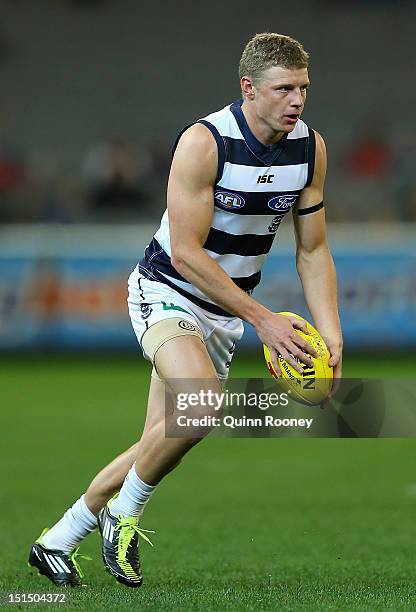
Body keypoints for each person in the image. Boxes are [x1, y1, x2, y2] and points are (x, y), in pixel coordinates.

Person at [28, 32, 342, 588]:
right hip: (168, 289)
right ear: (249, 89)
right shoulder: (205, 142)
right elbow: (187, 254)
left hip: (223, 311)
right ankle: (123, 517)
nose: (297, 101)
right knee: (199, 405)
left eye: (303, 89)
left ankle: (60, 538)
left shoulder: (310, 149)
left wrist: (332, 332)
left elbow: (313, 249)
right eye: (283, 89)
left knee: (164, 435)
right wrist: (264, 320)